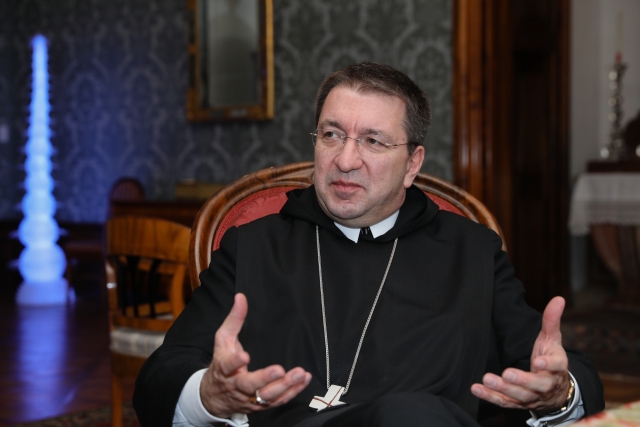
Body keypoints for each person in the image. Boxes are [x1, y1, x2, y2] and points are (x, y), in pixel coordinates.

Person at [133, 62, 604, 426]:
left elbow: (553, 372)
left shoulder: (472, 252)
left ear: (413, 163)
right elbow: (163, 373)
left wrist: (559, 393)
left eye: (373, 141)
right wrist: (210, 396)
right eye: (332, 135)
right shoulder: (252, 247)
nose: (345, 159)